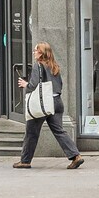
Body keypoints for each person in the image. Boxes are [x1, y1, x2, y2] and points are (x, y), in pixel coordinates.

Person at [14, 42, 82, 170]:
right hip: (57, 102)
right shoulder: (54, 66)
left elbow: (34, 84)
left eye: (36, 50)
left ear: (41, 53)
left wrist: (25, 84)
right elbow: (60, 84)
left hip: (43, 103)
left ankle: (25, 161)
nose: (33, 52)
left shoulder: (38, 65)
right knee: (59, 131)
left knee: (31, 132)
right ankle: (75, 156)